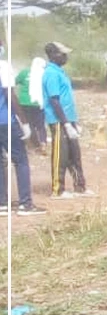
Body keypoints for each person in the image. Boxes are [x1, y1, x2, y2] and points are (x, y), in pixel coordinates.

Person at [42, 42, 93, 199]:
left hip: (68, 119)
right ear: (53, 55)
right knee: (60, 155)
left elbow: (67, 99)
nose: (65, 57)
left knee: (74, 154)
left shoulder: (60, 72)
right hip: (58, 120)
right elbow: (55, 100)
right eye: (62, 54)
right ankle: (58, 190)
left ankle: (80, 187)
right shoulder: (51, 73)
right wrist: (65, 123)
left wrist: (73, 122)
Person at [1, 59, 46, 216]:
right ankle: (25, 204)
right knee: (21, 161)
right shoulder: (3, 66)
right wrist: (24, 122)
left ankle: (2, 203)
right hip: (5, 122)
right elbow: (10, 95)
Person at [14, 58, 47, 153]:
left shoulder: (25, 72)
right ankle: (43, 143)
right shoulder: (44, 74)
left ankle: (35, 144)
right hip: (39, 103)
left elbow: (14, 82)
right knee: (41, 125)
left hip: (25, 103)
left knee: (29, 124)